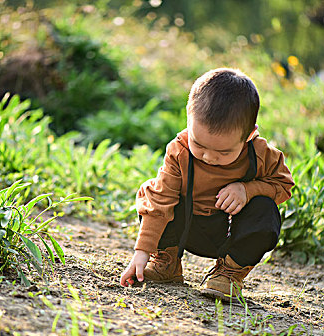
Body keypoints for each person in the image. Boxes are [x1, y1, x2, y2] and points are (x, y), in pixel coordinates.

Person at [119, 68, 295, 301]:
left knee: (266, 210)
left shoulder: (261, 154)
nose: (209, 157)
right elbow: (160, 201)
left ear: (249, 135)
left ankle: (228, 274)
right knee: (152, 193)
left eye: (224, 151)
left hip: (230, 231)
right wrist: (141, 253)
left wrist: (247, 190)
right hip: (186, 227)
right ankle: (166, 263)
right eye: (199, 144)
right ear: (189, 119)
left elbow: (283, 185)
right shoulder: (179, 151)